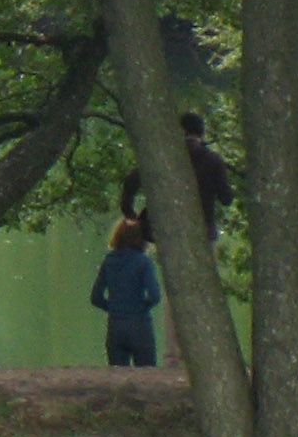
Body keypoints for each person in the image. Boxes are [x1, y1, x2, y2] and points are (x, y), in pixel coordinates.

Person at [119, 110, 236, 244]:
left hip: (160, 229)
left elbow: (130, 183)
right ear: (202, 134)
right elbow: (226, 199)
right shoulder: (213, 160)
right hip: (201, 231)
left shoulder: (162, 157)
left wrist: (131, 216)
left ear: (180, 131)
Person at [93, 217, 162, 367]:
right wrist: (141, 307)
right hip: (140, 326)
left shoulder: (109, 261)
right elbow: (155, 296)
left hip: (115, 326)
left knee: (117, 375)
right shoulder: (143, 262)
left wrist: (113, 307)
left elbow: (96, 297)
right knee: (147, 375)